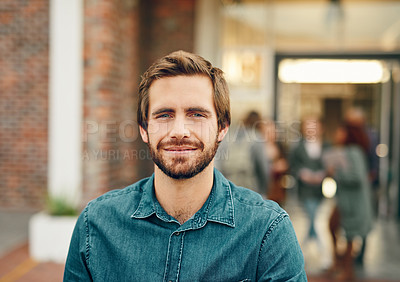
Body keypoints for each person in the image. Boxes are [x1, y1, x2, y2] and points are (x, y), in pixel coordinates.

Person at [64, 50, 307, 281]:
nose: (179, 131)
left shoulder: (268, 231)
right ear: (143, 129)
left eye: (197, 115)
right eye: (164, 115)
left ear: (222, 127)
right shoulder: (95, 226)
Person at [323, 123, 373, 280]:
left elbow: (357, 177)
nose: (336, 135)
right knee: (333, 226)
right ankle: (339, 263)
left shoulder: (354, 152)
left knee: (350, 236)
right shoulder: (345, 151)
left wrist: (337, 172)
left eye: (339, 132)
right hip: (345, 201)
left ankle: (346, 270)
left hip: (354, 203)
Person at [288, 117, 327, 251]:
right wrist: (302, 174)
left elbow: (330, 165)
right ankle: (320, 249)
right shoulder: (298, 147)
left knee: (315, 217)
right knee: (312, 216)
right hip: (304, 189)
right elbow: (293, 165)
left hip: (321, 189)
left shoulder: (326, 146)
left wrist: (322, 174)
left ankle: (303, 247)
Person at [215, 110, 269, 197]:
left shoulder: (229, 136)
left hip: (228, 188)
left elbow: (219, 163)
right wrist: (264, 191)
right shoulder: (257, 137)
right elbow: (263, 168)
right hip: (250, 189)